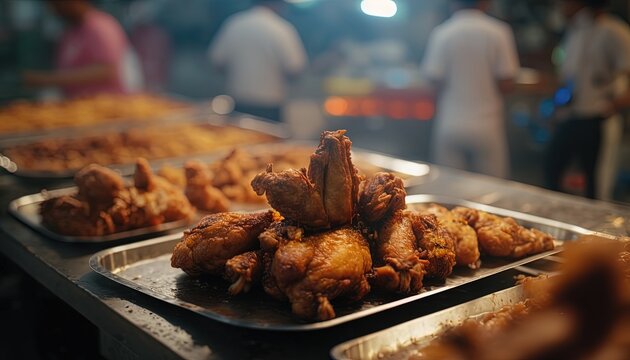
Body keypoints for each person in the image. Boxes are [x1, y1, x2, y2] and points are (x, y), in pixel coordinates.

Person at [421, 0, 519, 178]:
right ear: (486, 3)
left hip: (450, 124)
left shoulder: (442, 32)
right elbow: (507, 83)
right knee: (492, 191)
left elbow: (433, 82)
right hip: (487, 126)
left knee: (448, 190)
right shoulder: (499, 32)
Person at [545, 0, 630, 199]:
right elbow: (569, 76)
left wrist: (612, 106)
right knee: (553, 170)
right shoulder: (575, 31)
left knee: (596, 184)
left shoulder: (614, 31)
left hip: (598, 118)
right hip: (572, 115)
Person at [209, 0, 307, 122]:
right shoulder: (281, 28)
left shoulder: (234, 23)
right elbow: (295, 69)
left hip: (238, 103)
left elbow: (217, 62)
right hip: (269, 106)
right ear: (280, 4)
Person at [23, 0, 141, 98]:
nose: (54, 10)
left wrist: (47, 80)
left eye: (57, 4)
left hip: (106, 108)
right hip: (79, 107)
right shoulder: (70, 32)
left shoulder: (100, 26)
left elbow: (107, 70)